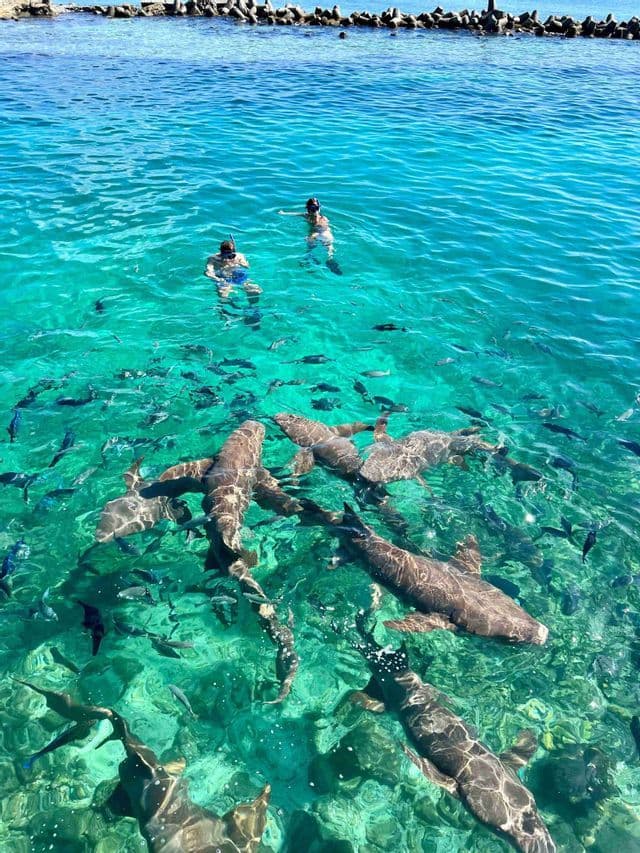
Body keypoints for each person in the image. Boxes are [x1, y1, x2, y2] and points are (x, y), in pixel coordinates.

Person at [278, 198, 341, 274]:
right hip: (326, 235)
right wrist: (284, 213)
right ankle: (330, 258)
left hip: (318, 234)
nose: (315, 211)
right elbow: (296, 214)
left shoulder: (308, 216)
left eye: (315, 208)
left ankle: (309, 258)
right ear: (319, 208)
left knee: (310, 248)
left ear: (308, 209)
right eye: (315, 208)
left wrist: (311, 236)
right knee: (329, 247)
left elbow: (317, 230)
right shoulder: (322, 218)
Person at [204, 236, 262, 305]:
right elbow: (208, 272)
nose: (226, 256)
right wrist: (217, 279)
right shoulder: (213, 258)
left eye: (229, 253)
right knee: (223, 297)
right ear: (220, 251)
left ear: (233, 251)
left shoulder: (239, 256)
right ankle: (230, 310)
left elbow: (247, 267)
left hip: (238, 275)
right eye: (224, 253)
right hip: (223, 278)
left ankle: (252, 307)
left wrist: (238, 262)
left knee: (255, 291)